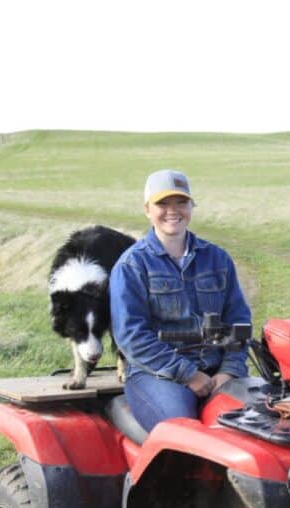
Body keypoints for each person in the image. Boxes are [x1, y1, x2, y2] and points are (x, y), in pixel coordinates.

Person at [108, 169, 253, 433]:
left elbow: (238, 320)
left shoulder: (218, 259)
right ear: (147, 210)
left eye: (181, 203)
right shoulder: (132, 265)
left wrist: (229, 371)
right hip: (156, 374)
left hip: (217, 370)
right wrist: (189, 375)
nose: (172, 211)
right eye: (162, 204)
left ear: (191, 206)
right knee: (186, 435)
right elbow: (131, 337)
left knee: (263, 421)